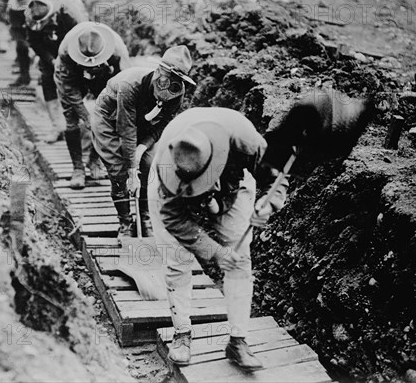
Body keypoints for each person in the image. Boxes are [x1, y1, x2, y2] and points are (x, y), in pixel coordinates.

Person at [148, 107, 289, 370]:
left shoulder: (244, 140)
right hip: (176, 199)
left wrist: (270, 202)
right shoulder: (168, 173)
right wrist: (217, 253)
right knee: (176, 258)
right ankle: (182, 333)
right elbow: (176, 221)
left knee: (240, 257)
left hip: (234, 185)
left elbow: (277, 177)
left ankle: (238, 341)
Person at [92, 45, 194, 236]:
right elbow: (126, 129)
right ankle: (125, 222)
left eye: (174, 83)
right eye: (163, 81)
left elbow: (163, 125)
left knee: (149, 166)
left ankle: (144, 217)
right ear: (157, 72)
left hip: (142, 122)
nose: (167, 87)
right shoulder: (130, 85)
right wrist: (132, 171)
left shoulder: (177, 95)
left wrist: (141, 149)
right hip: (109, 117)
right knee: (118, 170)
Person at [54, 22, 132, 190]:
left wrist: (105, 116)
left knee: (107, 120)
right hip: (73, 78)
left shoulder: (117, 52)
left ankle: (94, 160)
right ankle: (77, 168)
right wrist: (86, 116)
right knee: (71, 120)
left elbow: (123, 86)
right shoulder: (66, 51)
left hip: (105, 78)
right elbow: (69, 89)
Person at [25, 0, 88, 142]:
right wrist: (50, 60)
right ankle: (56, 127)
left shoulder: (70, 17)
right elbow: (34, 42)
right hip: (49, 54)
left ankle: (74, 125)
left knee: (74, 86)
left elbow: (81, 40)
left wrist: (67, 61)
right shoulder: (31, 17)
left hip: (71, 53)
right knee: (48, 83)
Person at [7, 0, 51, 87]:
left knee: (44, 48)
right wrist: (24, 40)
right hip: (22, 25)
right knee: (21, 47)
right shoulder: (13, 4)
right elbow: (15, 27)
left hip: (42, 22)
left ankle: (45, 77)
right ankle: (24, 77)